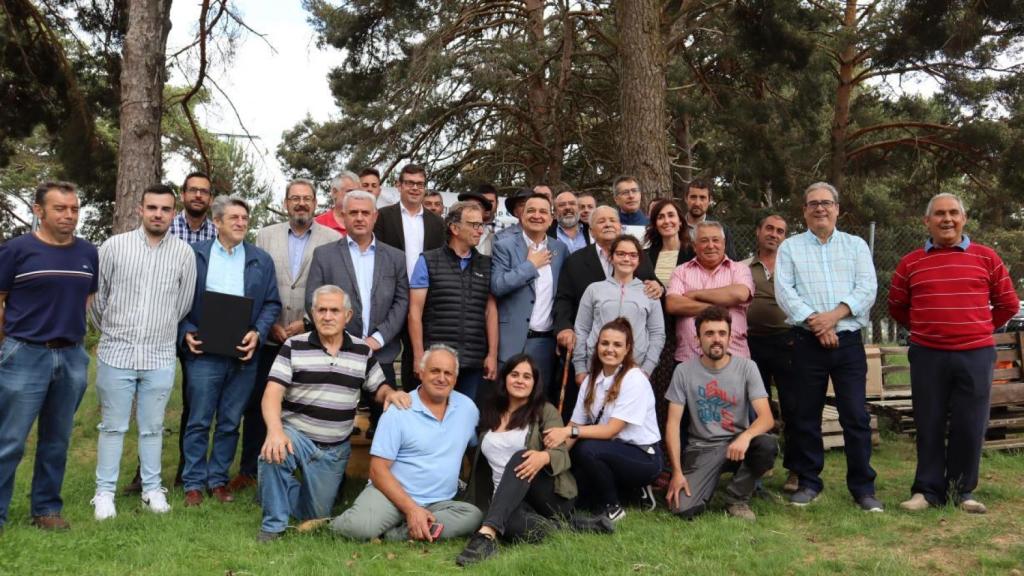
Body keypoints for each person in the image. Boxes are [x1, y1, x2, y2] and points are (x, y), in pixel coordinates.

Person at [889, 193, 1019, 514]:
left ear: (964, 218)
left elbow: (1008, 304)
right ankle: (926, 491)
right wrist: (928, 329)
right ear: (927, 221)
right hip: (927, 355)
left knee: (970, 424)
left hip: (975, 354)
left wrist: (978, 327)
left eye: (953, 213)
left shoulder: (987, 257)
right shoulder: (911, 262)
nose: (947, 219)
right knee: (929, 422)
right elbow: (897, 306)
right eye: (939, 214)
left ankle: (963, 492)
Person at [256, 285, 410, 542]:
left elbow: (378, 387)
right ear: (313, 314)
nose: (327, 316)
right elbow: (272, 393)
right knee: (273, 452)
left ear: (347, 316)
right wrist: (275, 431)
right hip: (297, 437)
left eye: (334, 310)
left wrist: (390, 394)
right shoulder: (294, 346)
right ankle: (273, 527)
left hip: (334, 451)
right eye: (322, 310)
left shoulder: (362, 351)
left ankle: (273, 491)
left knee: (314, 514)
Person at [88, 184, 196, 520]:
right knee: (113, 426)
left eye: (165, 209)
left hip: (159, 354)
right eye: (152, 208)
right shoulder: (114, 247)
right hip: (116, 353)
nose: (158, 214)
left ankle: (152, 489)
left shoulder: (183, 254)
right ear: (140, 209)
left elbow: (183, 304)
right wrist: (115, 331)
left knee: (152, 427)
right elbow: (98, 299)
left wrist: (157, 330)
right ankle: (104, 493)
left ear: (172, 213)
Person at [774, 182, 881, 511]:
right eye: (813, 204)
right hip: (806, 342)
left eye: (826, 203)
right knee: (806, 416)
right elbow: (785, 292)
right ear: (804, 210)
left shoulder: (856, 245)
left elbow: (867, 287)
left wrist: (833, 317)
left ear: (837, 208)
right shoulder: (790, 248)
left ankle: (863, 488)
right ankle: (808, 482)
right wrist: (816, 324)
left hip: (848, 343)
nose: (820, 208)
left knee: (855, 417)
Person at [230, 180, 340, 491]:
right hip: (269, 335)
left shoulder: (332, 239)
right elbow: (256, 282)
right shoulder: (266, 235)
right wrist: (270, 324)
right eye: (295, 198)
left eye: (307, 198)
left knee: (303, 404)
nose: (301, 203)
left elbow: (330, 287)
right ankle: (249, 469)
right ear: (286, 202)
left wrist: (307, 323)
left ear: (316, 203)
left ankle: (303, 468)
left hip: (310, 338)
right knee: (256, 404)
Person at [0, 181, 98, 531]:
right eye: (60, 208)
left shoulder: (88, 253)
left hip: (71, 357)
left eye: (74, 209)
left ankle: (46, 510)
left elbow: (85, 300)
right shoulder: (16, 250)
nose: (69, 215)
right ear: (38, 210)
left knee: (57, 439)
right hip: (24, 354)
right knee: (9, 440)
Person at [458, 354, 612, 566]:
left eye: (527, 376)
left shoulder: (544, 412)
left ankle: (486, 535)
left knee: (521, 456)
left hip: (548, 495)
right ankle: (570, 527)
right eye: (515, 375)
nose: (520, 380)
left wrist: (544, 456)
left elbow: (562, 455)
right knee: (510, 524)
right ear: (505, 379)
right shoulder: (491, 411)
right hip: (506, 497)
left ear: (534, 383)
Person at [179, 195, 282, 507]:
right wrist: (185, 332)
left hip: (242, 353)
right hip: (203, 353)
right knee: (198, 419)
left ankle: (218, 479)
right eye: (234, 218)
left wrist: (259, 333)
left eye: (244, 218)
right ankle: (193, 482)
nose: (240, 223)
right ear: (217, 222)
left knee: (229, 421)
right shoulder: (193, 255)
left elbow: (271, 303)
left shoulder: (260, 260)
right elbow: (175, 300)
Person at [330, 345, 483, 541]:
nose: (441, 378)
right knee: (358, 528)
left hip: (438, 502)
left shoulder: (467, 409)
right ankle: (331, 523)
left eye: (448, 373)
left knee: (472, 516)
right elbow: (378, 470)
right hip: (390, 496)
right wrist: (411, 509)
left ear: (455, 378)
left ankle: (394, 535)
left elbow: (472, 447)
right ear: (421, 372)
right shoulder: (399, 410)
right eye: (435, 371)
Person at [306, 190, 409, 434]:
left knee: (387, 423)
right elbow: (312, 301)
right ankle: (331, 472)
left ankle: (381, 472)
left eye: (365, 213)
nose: (360, 218)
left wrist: (377, 339)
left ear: (375, 217)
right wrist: (343, 340)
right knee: (331, 423)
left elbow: (402, 301)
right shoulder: (325, 255)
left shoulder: (395, 258)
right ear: (344, 216)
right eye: (354, 213)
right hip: (336, 353)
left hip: (381, 353)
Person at [664, 306, 777, 521]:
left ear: (729, 337)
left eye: (722, 333)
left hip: (738, 446)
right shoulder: (683, 371)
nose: (716, 339)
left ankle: (736, 498)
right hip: (702, 448)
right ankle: (706, 481)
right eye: (709, 334)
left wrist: (745, 437)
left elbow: (766, 418)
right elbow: (672, 424)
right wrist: (677, 472)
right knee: (682, 509)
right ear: (697, 339)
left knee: (766, 445)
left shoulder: (747, 367)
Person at [545, 318, 662, 521]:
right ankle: (631, 493)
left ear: (627, 349)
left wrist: (568, 432)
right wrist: (551, 458)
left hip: (644, 456)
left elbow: (610, 430)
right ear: (597, 345)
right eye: (605, 343)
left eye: (617, 345)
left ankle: (613, 507)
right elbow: (575, 424)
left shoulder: (634, 379)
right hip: (611, 451)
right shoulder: (591, 380)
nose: (610, 349)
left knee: (587, 448)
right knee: (576, 498)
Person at [553, 206, 662, 416]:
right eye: (601, 221)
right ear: (591, 230)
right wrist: (578, 362)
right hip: (594, 363)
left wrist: (660, 287)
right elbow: (567, 304)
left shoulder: (640, 259)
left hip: (634, 365)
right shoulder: (576, 262)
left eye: (613, 220)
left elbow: (652, 290)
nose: (608, 224)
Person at [408, 201, 498, 400]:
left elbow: (490, 312)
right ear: (455, 228)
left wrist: (492, 354)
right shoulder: (427, 261)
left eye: (481, 224)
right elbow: (415, 312)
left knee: (466, 423)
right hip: (436, 361)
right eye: (474, 224)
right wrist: (418, 355)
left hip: (473, 361)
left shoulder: (487, 264)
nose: (480, 230)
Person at [373, 163, 445, 387]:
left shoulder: (437, 223)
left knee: (417, 355)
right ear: (399, 186)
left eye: (420, 184)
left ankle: (413, 403)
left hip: (426, 299)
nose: (415, 188)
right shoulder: (383, 216)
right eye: (410, 183)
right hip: (390, 296)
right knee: (384, 352)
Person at [740, 214, 798, 493]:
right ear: (758, 231)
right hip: (751, 344)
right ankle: (760, 465)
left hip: (788, 342)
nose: (774, 234)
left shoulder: (793, 267)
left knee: (794, 406)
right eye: (769, 229)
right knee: (756, 407)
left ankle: (796, 471)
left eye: (780, 231)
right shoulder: (742, 267)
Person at [491, 194, 569, 397]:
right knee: (504, 404)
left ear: (551, 219)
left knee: (538, 405)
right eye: (531, 210)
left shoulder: (560, 249)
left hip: (545, 343)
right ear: (521, 216)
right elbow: (497, 286)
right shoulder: (504, 246)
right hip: (512, 342)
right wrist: (530, 266)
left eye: (543, 211)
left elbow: (564, 294)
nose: (537, 216)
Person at [573, 235, 665, 380]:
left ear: (639, 259)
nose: (626, 259)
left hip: (635, 370)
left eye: (633, 255)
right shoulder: (594, 289)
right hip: (596, 368)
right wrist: (580, 368)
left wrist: (647, 369)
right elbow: (581, 329)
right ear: (611, 257)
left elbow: (657, 334)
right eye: (621, 254)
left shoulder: (649, 291)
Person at [666, 221, 753, 364]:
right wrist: (719, 308)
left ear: (724, 243)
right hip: (689, 360)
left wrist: (695, 294)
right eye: (704, 241)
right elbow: (673, 304)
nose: (711, 245)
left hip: (734, 359)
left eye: (715, 240)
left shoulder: (739, 269)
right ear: (694, 246)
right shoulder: (681, 271)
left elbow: (739, 294)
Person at [682, 179, 738, 260]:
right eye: (693, 197)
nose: (697, 203)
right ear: (686, 199)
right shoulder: (676, 228)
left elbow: (731, 263)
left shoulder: (721, 229)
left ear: (710, 200)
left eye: (702, 198)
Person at [645, 198, 694, 284]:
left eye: (671, 215)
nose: (667, 221)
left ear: (680, 221)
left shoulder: (694, 254)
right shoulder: (646, 256)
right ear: (655, 225)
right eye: (660, 217)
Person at [170, 171, 217, 244]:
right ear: (182, 196)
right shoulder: (167, 229)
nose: (198, 195)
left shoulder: (217, 235)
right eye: (193, 190)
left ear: (211, 200)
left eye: (204, 191)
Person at [314, 170, 361, 236]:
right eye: (350, 192)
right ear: (334, 192)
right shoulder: (318, 224)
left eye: (358, 192)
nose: (356, 196)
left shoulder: (365, 222)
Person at [458, 186, 496, 256]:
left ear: (484, 211)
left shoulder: (491, 234)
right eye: (469, 205)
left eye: (479, 206)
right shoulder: (449, 231)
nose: (474, 209)